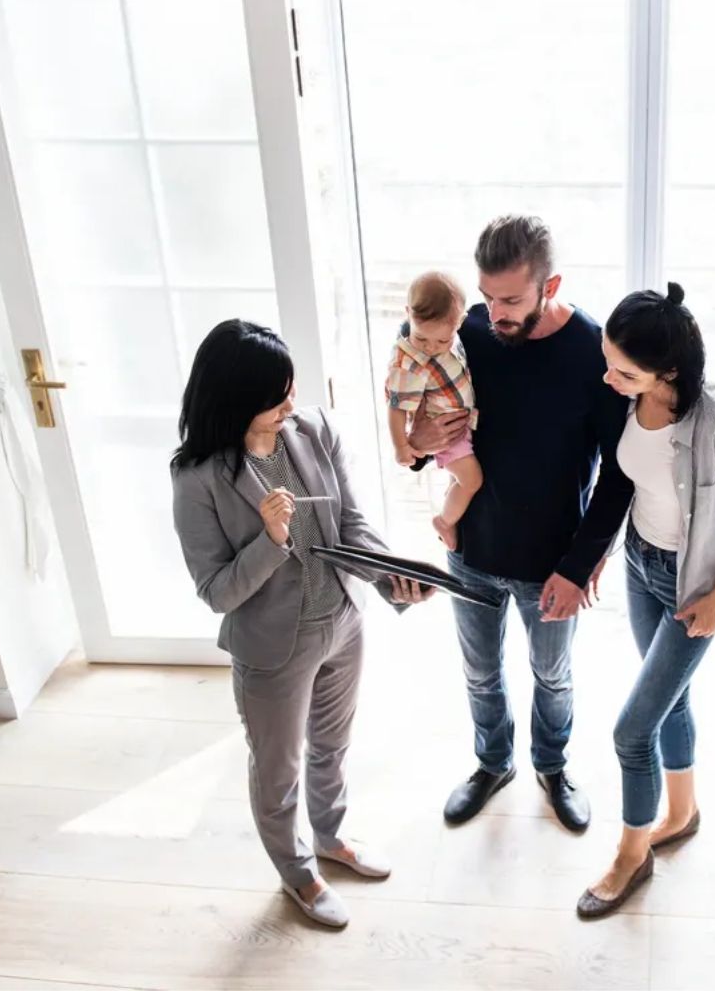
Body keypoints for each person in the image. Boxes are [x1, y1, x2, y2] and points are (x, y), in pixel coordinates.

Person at [171, 319, 431, 929]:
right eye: (276, 395)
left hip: (342, 620)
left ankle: (331, 838)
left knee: (333, 747)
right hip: (272, 649)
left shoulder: (312, 430)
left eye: (291, 388)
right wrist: (272, 538)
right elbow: (216, 591)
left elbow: (351, 526)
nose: (292, 402)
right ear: (236, 398)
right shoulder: (198, 478)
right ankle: (296, 871)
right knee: (277, 767)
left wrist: (392, 577)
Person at [408, 215, 633, 832]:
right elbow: (425, 417)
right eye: (486, 296)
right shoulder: (467, 333)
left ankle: (552, 766)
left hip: (551, 562)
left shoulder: (593, 351)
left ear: (550, 285)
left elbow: (619, 473)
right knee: (479, 672)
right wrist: (420, 442)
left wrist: (579, 563)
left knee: (552, 675)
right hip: (472, 551)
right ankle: (492, 762)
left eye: (510, 299)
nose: (493, 312)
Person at [576, 283, 715, 919]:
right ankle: (682, 812)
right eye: (607, 360)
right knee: (671, 702)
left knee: (631, 731)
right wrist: (599, 554)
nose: (609, 378)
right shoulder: (628, 400)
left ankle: (630, 856)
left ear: (668, 370)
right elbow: (629, 485)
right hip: (642, 565)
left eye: (625, 369)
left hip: (692, 585)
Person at [385, 271, 483, 550]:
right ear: (407, 314)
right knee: (471, 480)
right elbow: (396, 408)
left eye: (442, 341)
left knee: (460, 479)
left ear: (459, 323)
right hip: (445, 433)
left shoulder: (455, 333)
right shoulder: (409, 362)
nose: (430, 348)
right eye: (421, 338)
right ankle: (444, 522)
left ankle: (448, 514)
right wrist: (402, 446)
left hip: (460, 426)